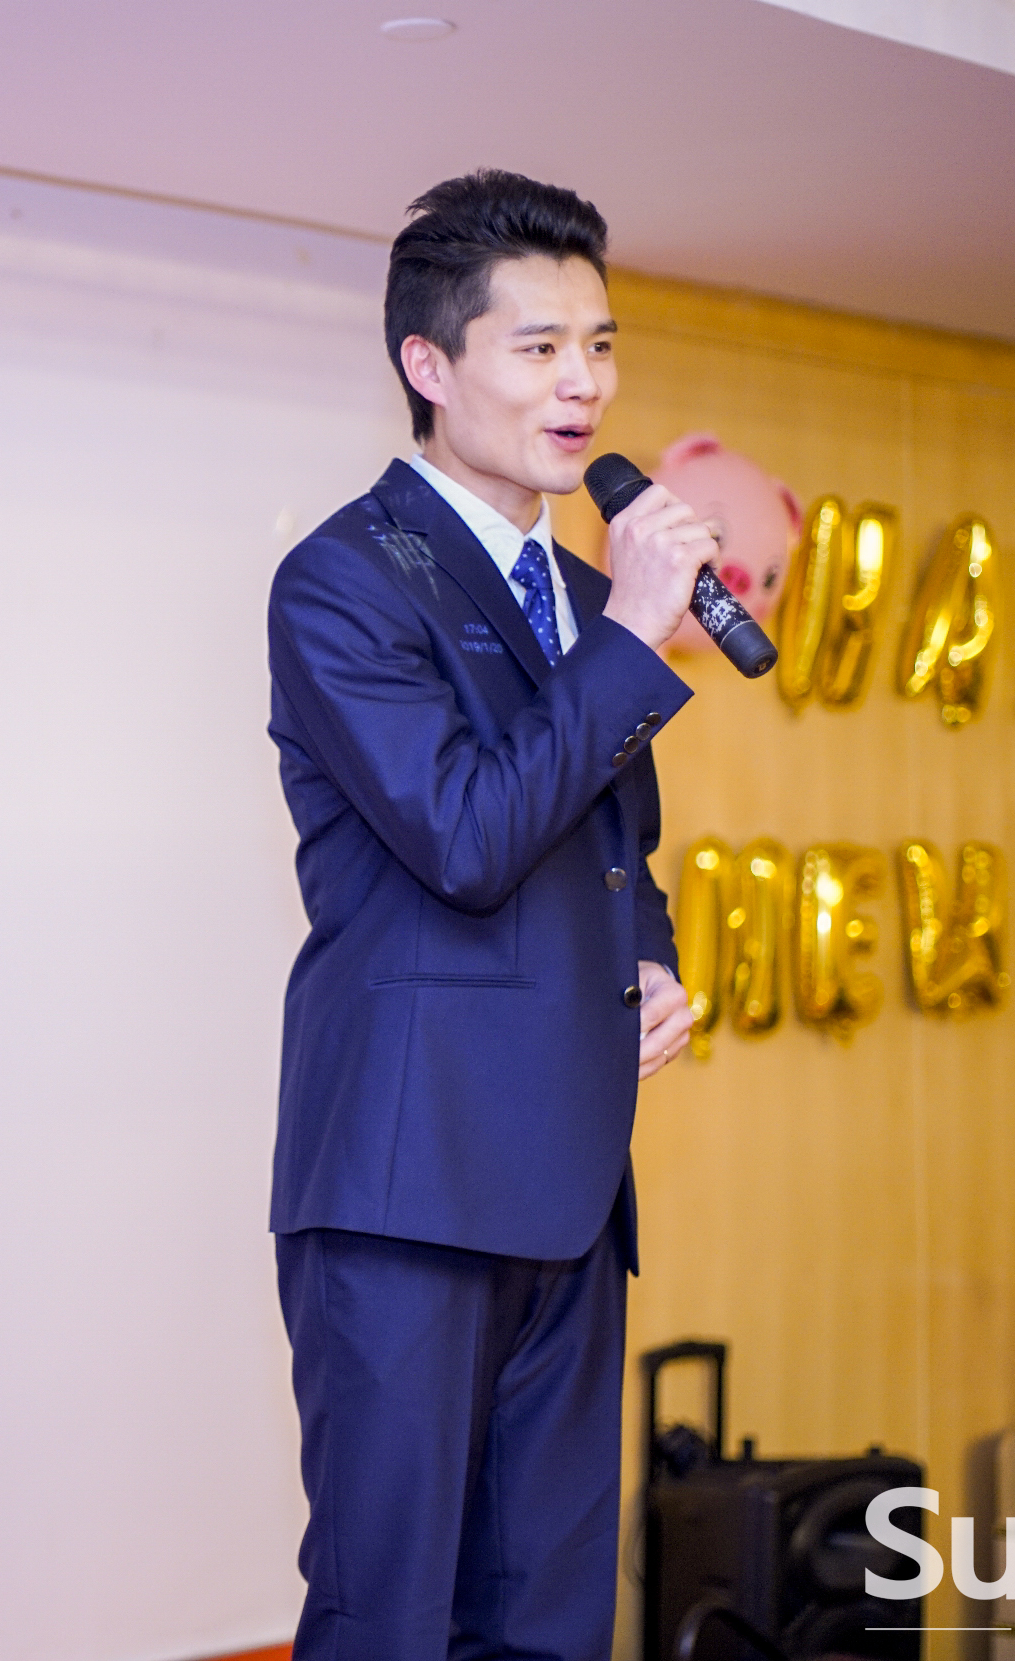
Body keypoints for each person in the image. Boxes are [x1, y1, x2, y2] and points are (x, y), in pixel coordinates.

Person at [264, 171, 715, 1659]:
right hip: (408, 1187)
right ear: (431, 364)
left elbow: (608, 842)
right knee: (393, 1617)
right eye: (540, 347)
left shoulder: (580, 595)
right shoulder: (344, 580)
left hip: (570, 1188)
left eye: (600, 345)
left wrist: (647, 956)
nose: (584, 383)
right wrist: (634, 632)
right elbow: (462, 833)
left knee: (548, 1622)